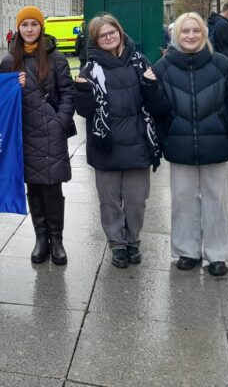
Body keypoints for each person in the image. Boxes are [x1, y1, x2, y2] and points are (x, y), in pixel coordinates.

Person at [153, 12, 228, 277]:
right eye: (185, 32)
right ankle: (187, 250)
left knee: (216, 200)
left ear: (204, 35)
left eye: (196, 31)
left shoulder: (222, 64)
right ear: (176, 35)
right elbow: (156, 110)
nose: (191, 36)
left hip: (215, 143)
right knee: (182, 200)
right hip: (179, 144)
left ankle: (217, 254)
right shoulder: (163, 67)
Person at [74, 15, 164, 268]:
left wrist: (151, 86)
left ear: (120, 32)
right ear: (95, 40)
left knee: (137, 201)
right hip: (106, 145)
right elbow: (84, 112)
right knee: (109, 201)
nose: (109, 37)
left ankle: (133, 240)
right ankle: (117, 244)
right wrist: (81, 93)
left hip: (137, 143)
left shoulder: (140, 62)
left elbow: (157, 104)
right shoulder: (89, 70)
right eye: (102, 35)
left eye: (112, 32)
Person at [0, 6, 75, 265]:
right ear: (18, 28)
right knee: (34, 187)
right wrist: (13, 88)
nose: (29, 29)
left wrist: (60, 122)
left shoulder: (57, 58)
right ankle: (40, 238)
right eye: (24, 24)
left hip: (50, 131)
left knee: (53, 188)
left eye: (34, 24)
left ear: (41, 27)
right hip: (25, 132)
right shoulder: (9, 61)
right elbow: (1, 100)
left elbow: (68, 93)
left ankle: (57, 239)